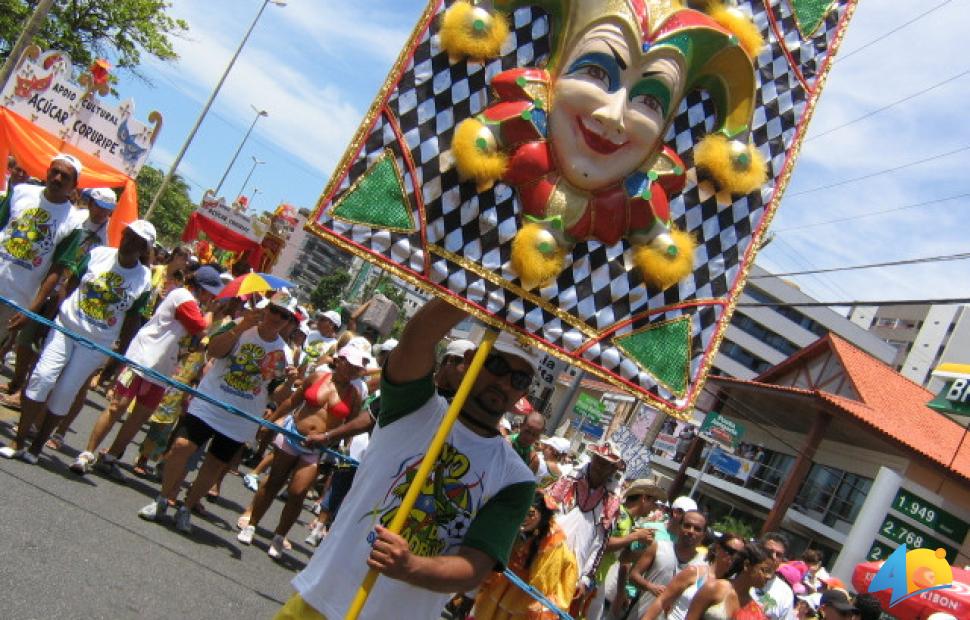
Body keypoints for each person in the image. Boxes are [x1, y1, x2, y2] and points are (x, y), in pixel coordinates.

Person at [282, 297, 539, 620]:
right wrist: (490, 287)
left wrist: (411, 567)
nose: (503, 382)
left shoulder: (517, 479)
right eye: (497, 365)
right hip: (321, 603)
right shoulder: (414, 405)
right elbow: (417, 337)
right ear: (472, 358)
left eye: (519, 379)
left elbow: (474, 565)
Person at [137, 290, 295, 533]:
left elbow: (275, 394)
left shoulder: (284, 352)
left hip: (240, 415)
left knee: (213, 465)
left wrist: (290, 382)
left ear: (288, 322)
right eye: (274, 310)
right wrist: (241, 327)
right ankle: (161, 500)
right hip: (211, 401)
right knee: (181, 447)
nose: (277, 317)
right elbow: (214, 351)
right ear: (265, 309)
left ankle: (186, 509)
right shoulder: (239, 325)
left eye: (284, 315)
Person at [0, 220, 155, 463]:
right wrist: (46, 321)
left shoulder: (144, 279)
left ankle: (36, 447)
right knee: (43, 376)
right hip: (66, 326)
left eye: (137, 241)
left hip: (96, 343)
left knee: (65, 391)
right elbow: (69, 286)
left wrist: (117, 362)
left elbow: (132, 320)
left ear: (144, 249)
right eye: (128, 235)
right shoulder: (98, 255)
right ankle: (19, 441)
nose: (129, 242)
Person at [70, 265, 225, 477]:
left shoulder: (193, 304)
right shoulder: (183, 296)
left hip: (163, 367)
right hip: (142, 357)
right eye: (210, 291)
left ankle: (110, 457)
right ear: (200, 287)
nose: (211, 297)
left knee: (140, 415)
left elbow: (195, 340)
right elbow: (202, 328)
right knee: (118, 406)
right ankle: (87, 453)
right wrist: (211, 313)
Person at [238, 344, 369, 559]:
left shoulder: (354, 394)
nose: (353, 370)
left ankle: (279, 536)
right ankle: (251, 525)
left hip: (316, 448)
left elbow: (351, 423)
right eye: (351, 365)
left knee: (298, 493)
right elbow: (293, 400)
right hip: (292, 436)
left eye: (357, 368)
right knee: (273, 482)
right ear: (340, 361)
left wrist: (345, 448)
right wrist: (270, 423)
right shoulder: (318, 376)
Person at [0, 154, 87, 349]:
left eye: (64, 176)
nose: (57, 178)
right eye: (54, 172)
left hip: (16, 298)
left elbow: (56, 271)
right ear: (47, 173)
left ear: (74, 185)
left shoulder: (73, 222)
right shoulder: (21, 192)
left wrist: (31, 309)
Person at [473, 491, 579, 620]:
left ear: (543, 517)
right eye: (523, 511)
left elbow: (540, 586)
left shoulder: (552, 543)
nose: (524, 517)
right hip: (506, 583)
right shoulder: (516, 523)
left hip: (530, 592)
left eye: (530, 513)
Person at [547, 441, 624, 616]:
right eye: (598, 460)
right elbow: (547, 509)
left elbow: (600, 544)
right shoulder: (568, 480)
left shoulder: (611, 501)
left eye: (606, 464)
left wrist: (586, 578)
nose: (599, 467)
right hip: (546, 552)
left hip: (574, 569)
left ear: (613, 470)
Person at [587, 478, 664, 620]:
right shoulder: (619, 514)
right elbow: (602, 543)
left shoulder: (630, 521)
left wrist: (644, 546)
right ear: (644, 498)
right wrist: (634, 537)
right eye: (653, 502)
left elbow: (622, 558)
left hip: (598, 578)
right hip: (589, 574)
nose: (654, 508)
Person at [620, 509, 708, 619]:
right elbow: (633, 575)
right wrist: (649, 586)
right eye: (687, 525)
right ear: (679, 527)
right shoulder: (659, 547)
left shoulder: (703, 567)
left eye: (697, 529)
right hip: (641, 614)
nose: (691, 531)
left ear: (703, 535)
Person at [642, 532, 745, 620]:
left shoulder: (729, 589)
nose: (734, 557)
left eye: (739, 555)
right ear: (718, 548)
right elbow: (662, 601)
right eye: (730, 551)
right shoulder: (694, 572)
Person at [686, 542, 774, 620]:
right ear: (746, 565)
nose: (769, 577)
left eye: (771, 573)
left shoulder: (754, 609)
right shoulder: (715, 588)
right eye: (765, 570)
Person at [753, 532, 796, 620]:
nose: (773, 557)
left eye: (779, 555)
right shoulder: (742, 576)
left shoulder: (785, 593)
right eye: (769, 552)